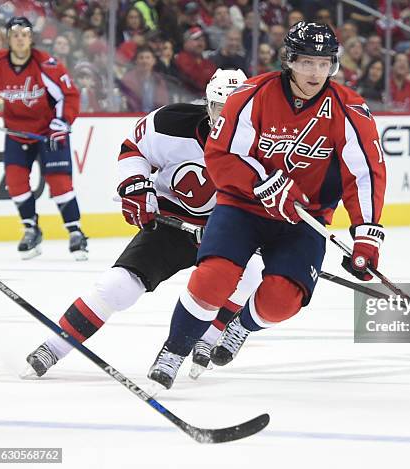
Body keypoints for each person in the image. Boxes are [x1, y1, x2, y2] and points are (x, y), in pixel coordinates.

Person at [158, 21, 386, 370]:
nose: (316, 72)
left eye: (324, 64)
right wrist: (263, 183)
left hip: (304, 217)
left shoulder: (349, 109)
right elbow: (221, 154)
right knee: (212, 278)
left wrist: (367, 236)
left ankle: (240, 326)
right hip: (243, 208)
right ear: (290, 60)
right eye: (308, 62)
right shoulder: (252, 95)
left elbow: (366, 174)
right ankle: (173, 351)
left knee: (282, 300)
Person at [23, 69, 263, 388]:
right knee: (116, 287)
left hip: (226, 227)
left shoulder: (267, 141)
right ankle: (54, 347)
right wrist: (135, 186)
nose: (227, 118)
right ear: (208, 105)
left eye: (238, 109)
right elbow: (133, 151)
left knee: (254, 272)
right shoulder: (169, 123)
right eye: (221, 108)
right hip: (171, 225)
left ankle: (210, 335)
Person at [0, 17, 87, 260]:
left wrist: (61, 122)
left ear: (31, 38)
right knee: (15, 183)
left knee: (59, 183)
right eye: (15, 34)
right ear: (8, 38)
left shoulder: (46, 64)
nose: (20, 38)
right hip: (16, 133)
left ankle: (75, 232)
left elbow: (69, 95)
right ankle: (30, 228)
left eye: (24, 33)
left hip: (48, 132)